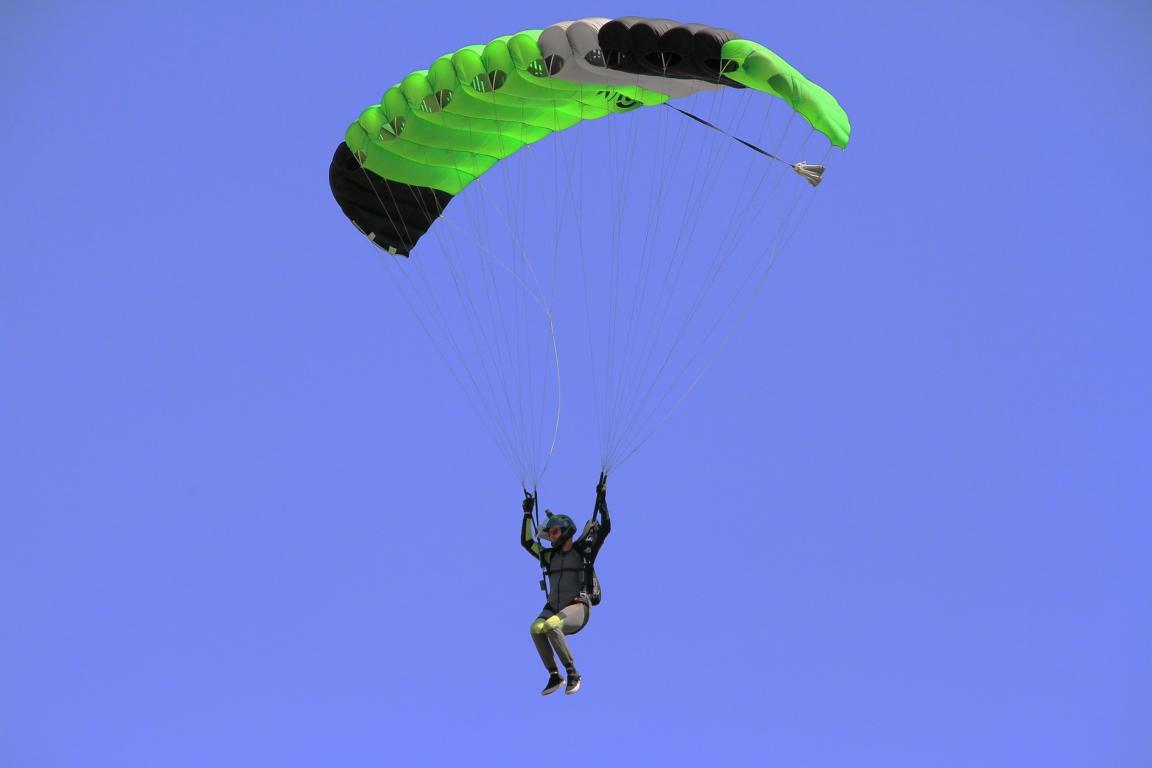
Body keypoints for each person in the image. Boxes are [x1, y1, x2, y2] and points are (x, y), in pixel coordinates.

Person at [521, 474, 611, 696]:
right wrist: (527, 514)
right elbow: (527, 542)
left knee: (552, 625)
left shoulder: (583, 552)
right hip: (555, 606)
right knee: (536, 628)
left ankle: (573, 674)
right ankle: (555, 675)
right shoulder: (549, 556)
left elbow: (605, 529)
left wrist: (602, 503)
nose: (551, 537)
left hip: (578, 605)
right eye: (549, 533)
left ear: (566, 530)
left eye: (554, 532)